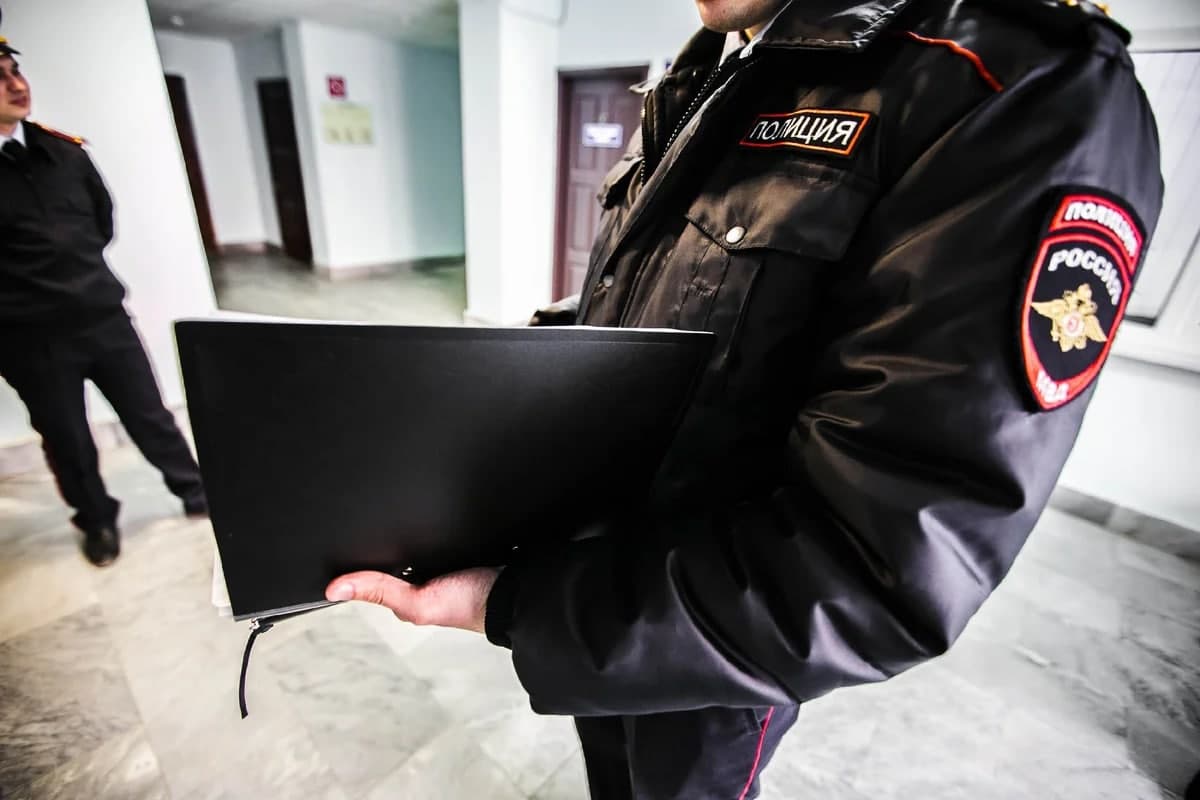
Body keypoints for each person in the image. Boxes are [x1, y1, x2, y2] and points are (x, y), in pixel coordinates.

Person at [325, 0, 1164, 796]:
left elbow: (879, 569)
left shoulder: (1011, 85)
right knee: (610, 768)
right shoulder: (719, 64)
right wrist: (481, 383)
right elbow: (655, 297)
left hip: (712, 640)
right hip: (594, 571)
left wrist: (513, 605)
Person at [0, 26, 208, 568]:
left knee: (150, 414)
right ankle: (95, 521)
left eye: (15, 71)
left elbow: (100, 223)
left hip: (102, 317)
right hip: (30, 338)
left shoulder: (65, 153)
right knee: (67, 438)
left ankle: (195, 491)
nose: (16, 85)